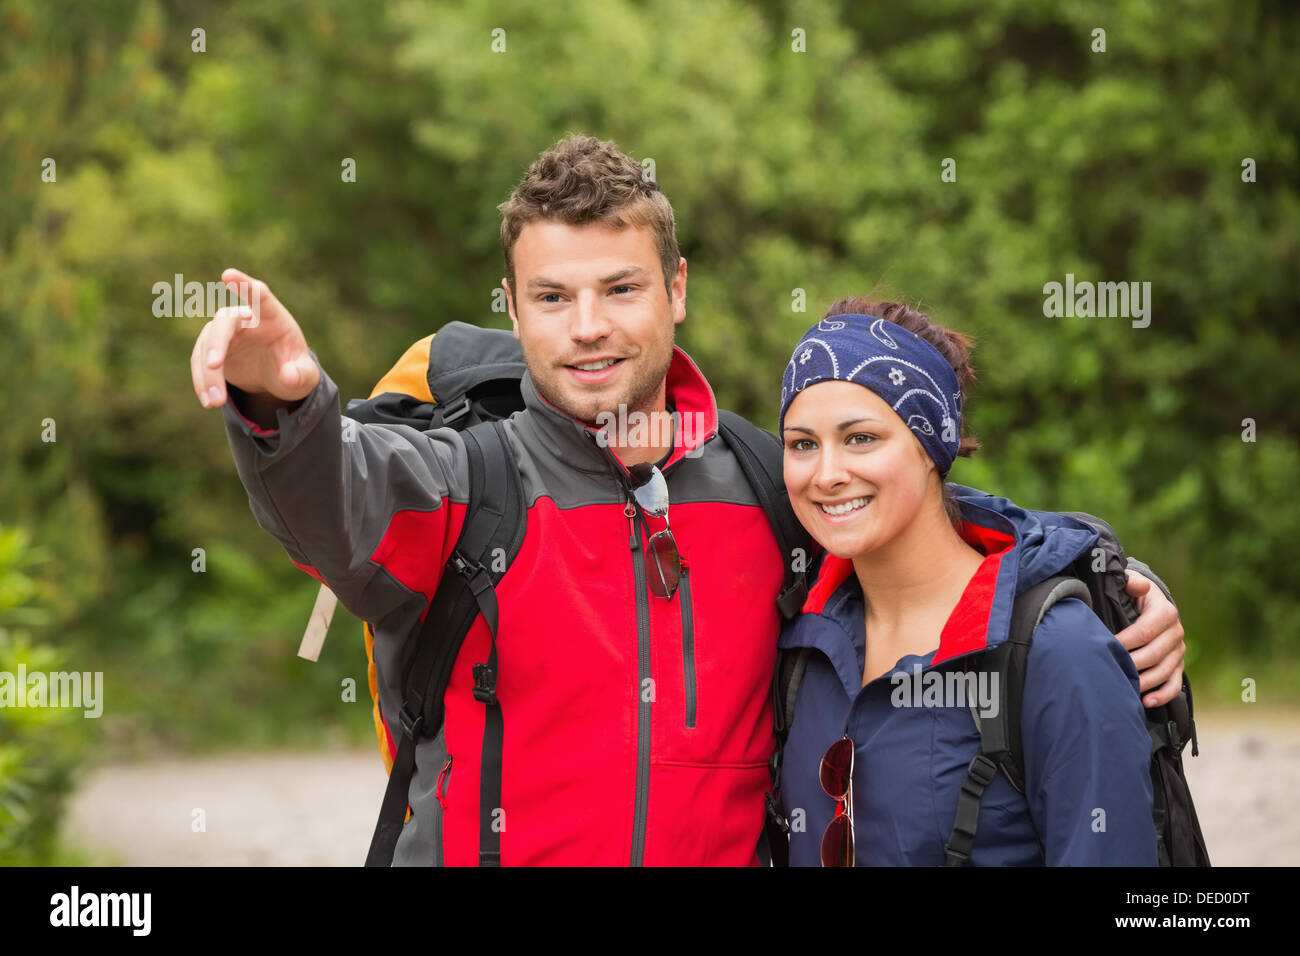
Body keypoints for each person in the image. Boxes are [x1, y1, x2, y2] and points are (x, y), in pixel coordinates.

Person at [187, 134, 1184, 866]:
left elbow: (914, 516)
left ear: (677, 288)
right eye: (551, 296)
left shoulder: (767, 479)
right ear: (512, 302)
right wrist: (285, 399)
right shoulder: (464, 482)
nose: (587, 328)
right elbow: (336, 500)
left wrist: (1096, 574)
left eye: (620, 289)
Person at [777, 300, 1158, 865]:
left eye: (861, 438)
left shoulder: (1058, 652)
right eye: (802, 444)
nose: (827, 474)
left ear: (933, 447)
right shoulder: (798, 643)